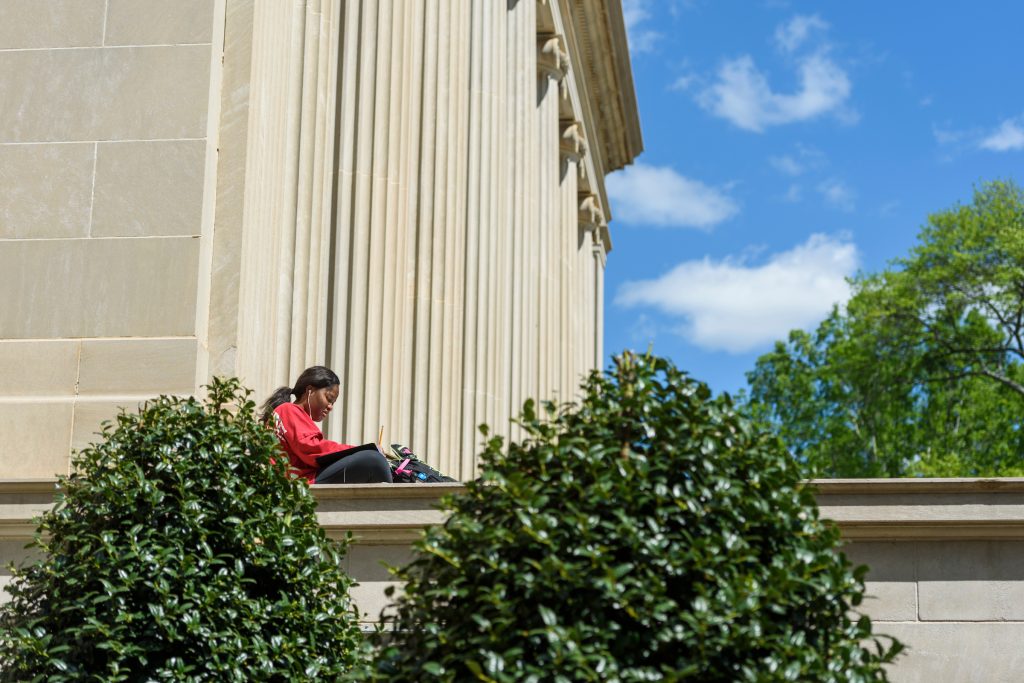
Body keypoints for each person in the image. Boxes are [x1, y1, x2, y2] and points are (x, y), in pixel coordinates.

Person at [260, 366, 392, 484]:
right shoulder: (288, 409)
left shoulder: (289, 412)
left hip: (304, 479)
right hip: (299, 482)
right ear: (310, 390)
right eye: (329, 399)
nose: (330, 407)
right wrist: (361, 450)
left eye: (333, 403)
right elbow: (312, 449)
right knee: (373, 460)